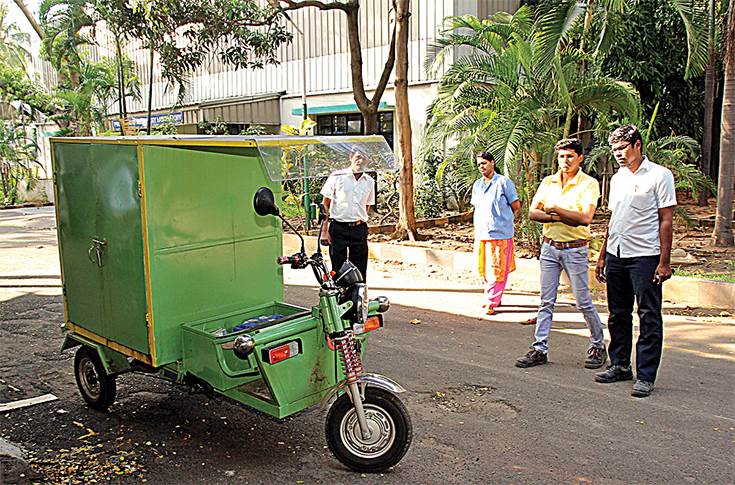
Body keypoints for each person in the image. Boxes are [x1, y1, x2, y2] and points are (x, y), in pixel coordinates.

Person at [594, 125, 676, 398]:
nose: (618, 154)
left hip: (644, 256)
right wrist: (603, 254)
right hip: (617, 254)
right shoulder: (617, 179)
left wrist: (664, 262)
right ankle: (619, 364)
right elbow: (613, 219)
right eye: (614, 149)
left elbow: (666, 220)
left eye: (622, 148)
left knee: (648, 315)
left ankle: (646, 376)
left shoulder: (659, 176)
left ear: (637, 145)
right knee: (618, 314)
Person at [515, 138, 607, 369]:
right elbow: (533, 214)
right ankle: (539, 348)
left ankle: (598, 345)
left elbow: (585, 218)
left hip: (575, 248)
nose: (565, 161)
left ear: (580, 158)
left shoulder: (589, 184)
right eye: (561, 156)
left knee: (583, 301)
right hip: (549, 247)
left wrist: (554, 208)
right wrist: (563, 216)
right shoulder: (549, 182)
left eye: (570, 156)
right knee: (546, 301)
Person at [470, 152, 521, 315]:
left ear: (492, 162)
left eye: (484, 163)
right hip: (482, 232)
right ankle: (494, 297)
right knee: (485, 268)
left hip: (500, 233)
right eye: (479, 164)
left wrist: (503, 219)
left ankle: (491, 302)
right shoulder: (477, 184)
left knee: (497, 268)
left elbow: (516, 205)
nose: (482, 167)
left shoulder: (504, 182)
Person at [319, 149, 376, 280]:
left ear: (368, 161)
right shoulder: (337, 176)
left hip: (359, 229)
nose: (360, 160)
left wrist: (359, 220)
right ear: (351, 157)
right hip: (338, 228)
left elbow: (367, 205)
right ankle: (339, 298)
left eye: (364, 158)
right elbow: (325, 203)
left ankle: (358, 297)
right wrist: (324, 230)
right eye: (358, 157)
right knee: (338, 267)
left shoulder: (369, 181)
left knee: (360, 267)